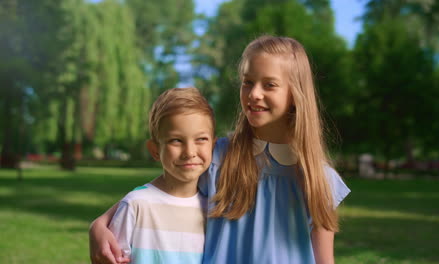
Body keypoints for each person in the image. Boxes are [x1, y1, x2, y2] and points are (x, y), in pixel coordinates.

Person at [89, 35, 350, 264]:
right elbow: (162, 190)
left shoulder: (320, 179)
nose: (254, 94)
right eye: (248, 82)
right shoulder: (217, 157)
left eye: (269, 85)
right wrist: (99, 225)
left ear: (296, 93)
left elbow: (324, 259)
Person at [98, 87, 216, 264]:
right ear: (155, 150)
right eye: (176, 140)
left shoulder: (213, 210)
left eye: (201, 139)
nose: (190, 152)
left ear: (213, 145)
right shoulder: (136, 205)